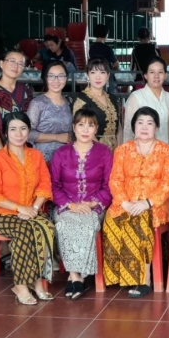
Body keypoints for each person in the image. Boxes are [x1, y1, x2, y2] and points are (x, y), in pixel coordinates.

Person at [102, 107, 169, 298]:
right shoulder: (122, 150)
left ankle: (144, 278)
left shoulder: (167, 152)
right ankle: (120, 275)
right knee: (112, 219)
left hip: (156, 204)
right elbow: (115, 179)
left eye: (149, 123)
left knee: (139, 220)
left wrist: (147, 202)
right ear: (133, 126)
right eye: (140, 123)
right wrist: (124, 202)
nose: (144, 127)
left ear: (157, 127)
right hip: (125, 201)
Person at [0, 112, 54, 305]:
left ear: (29, 131)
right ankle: (21, 285)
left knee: (46, 227)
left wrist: (33, 208)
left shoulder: (36, 156)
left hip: (31, 210)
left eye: (23, 128)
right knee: (25, 230)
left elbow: (44, 187)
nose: (18, 133)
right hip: (1, 213)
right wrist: (20, 208)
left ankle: (38, 281)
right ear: (5, 132)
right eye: (13, 129)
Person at [50, 109, 113, 300]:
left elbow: (110, 184)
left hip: (94, 205)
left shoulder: (104, 152)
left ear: (96, 129)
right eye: (81, 125)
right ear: (73, 128)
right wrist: (71, 205)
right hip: (66, 206)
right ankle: (76, 276)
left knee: (87, 225)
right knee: (65, 224)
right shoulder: (61, 153)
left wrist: (94, 202)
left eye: (91, 125)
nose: (86, 129)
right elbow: (53, 186)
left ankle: (78, 275)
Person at [0, 51, 34, 151]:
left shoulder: (26, 90)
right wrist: (3, 155)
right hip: (0, 148)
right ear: (1, 64)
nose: (16, 66)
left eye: (20, 63)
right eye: (12, 61)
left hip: (24, 147)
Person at [26, 60, 72, 163]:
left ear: (66, 78)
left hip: (66, 160)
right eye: (51, 76)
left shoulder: (69, 102)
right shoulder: (37, 103)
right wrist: (57, 137)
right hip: (43, 160)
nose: (56, 81)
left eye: (61, 76)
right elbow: (27, 133)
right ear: (45, 78)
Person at [72, 58, 123, 150]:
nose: (98, 77)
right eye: (93, 72)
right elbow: (80, 129)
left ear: (108, 76)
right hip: (93, 151)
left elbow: (118, 127)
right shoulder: (81, 99)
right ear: (87, 75)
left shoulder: (113, 98)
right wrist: (103, 151)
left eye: (102, 72)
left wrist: (119, 150)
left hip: (115, 152)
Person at [123, 56, 169, 144]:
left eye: (160, 72)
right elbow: (128, 130)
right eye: (152, 72)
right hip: (142, 152)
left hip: (166, 152)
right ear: (146, 75)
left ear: (165, 75)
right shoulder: (136, 97)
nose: (156, 76)